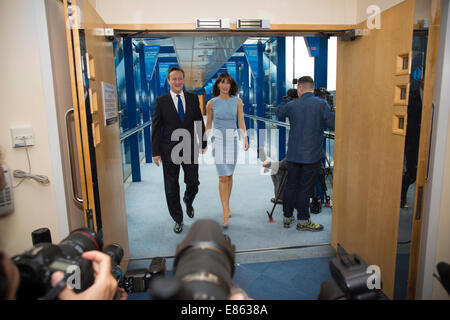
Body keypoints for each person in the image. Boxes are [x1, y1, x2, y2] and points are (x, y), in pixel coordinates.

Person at [151, 67, 207, 234]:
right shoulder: (161, 101)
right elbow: (156, 127)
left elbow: (198, 121)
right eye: (174, 79)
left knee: (193, 182)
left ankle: (188, 200)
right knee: (171, 187)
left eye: (180, 79)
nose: (177, 82)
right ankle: (178, 219)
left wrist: (203, 142)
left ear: (183, 80)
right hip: (169, 150)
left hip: (189, 147)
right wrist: (155, 152)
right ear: (168, 81)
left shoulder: (192, 98)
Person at [275, 76, 334, 231]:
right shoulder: (321, 104)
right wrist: (329, 107)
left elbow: (279, 112)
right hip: (312, 156)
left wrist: (286, 98)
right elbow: (332, 124)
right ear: (311, 88)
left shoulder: (292, 104)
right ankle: (303, 221)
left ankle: (287, 217)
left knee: (291, 185)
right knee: (304, 188)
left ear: (300, 88)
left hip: (294, 155)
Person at [205, 73, 248, 228]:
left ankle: (227, 204)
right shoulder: (211, 103)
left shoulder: (237, 101)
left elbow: (241, 122)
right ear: (217, 85)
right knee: (222, 176)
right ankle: (225, 211)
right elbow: (208, 124)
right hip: (218, 141)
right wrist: (204, 141)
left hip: (232, 141)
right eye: (222, 83)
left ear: (231, 86)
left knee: (229, 175)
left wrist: (245, 139)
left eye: (227, 83)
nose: (225, 85)